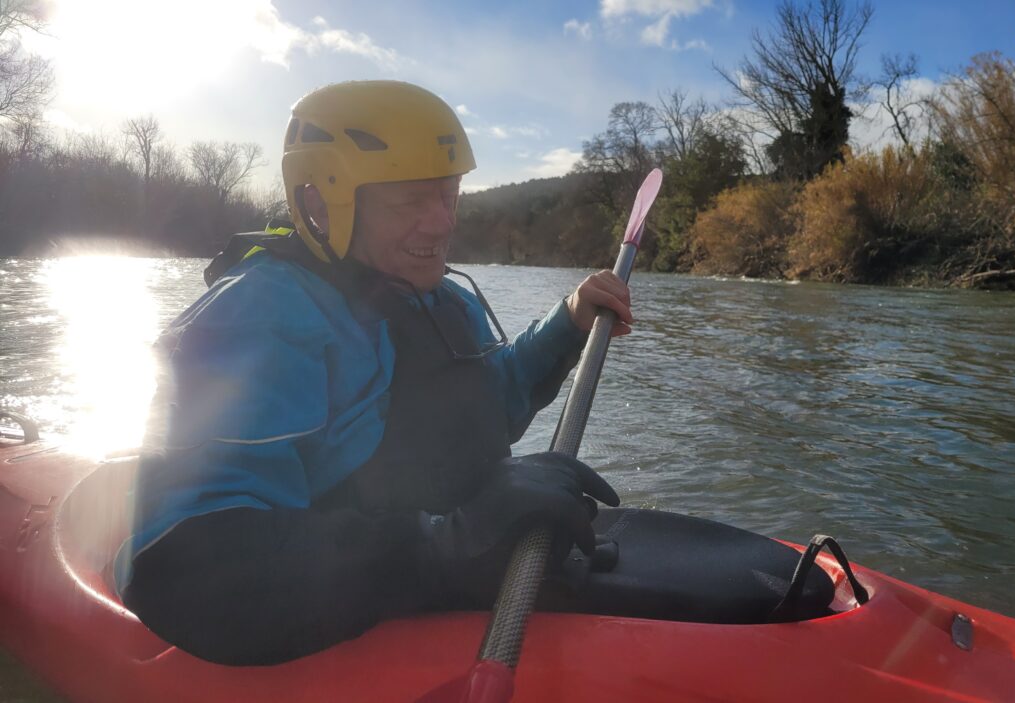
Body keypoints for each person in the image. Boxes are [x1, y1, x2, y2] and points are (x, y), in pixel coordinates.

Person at [116, 80, 633, 666]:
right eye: (409, 202)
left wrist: (568, 323)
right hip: (345, 614)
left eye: (449, 195)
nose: (441, 224)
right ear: (321, 204)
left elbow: (488, 404)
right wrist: (448, 544)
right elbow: (185, 568)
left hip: (454, 569)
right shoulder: (255, 318)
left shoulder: (440, 298)